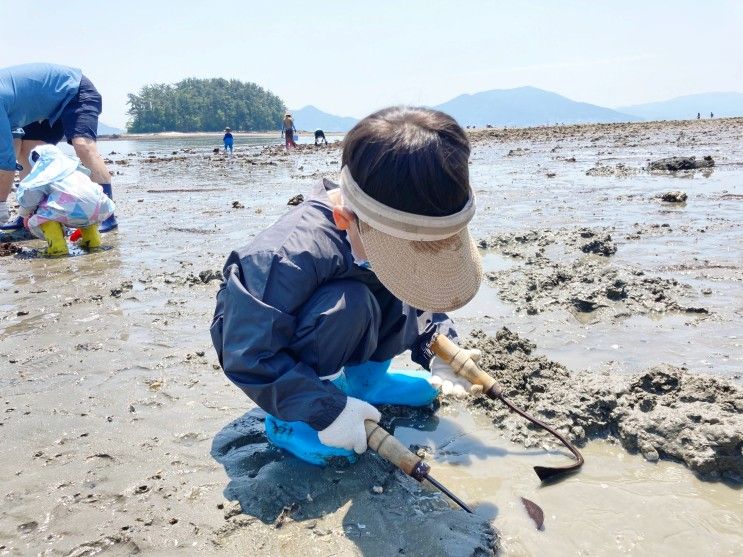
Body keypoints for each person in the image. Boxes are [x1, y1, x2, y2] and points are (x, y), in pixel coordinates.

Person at [211, 106, 483, 466]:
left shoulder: (382, 228)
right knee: (347, 302)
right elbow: (248, 354)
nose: (410, 268)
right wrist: (326, 410)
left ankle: (366, 381)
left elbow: (420, 294)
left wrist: (439, 346)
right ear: (344, 218)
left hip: (353, 334)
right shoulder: (284, 258)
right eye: (399, 256)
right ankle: (294, 417)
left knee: (392, 289)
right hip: (274, 348)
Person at [0, 63, 118, 232]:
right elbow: (14, 145)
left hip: (73, 91)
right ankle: (28, 217)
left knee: (83, 146)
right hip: (40, 109)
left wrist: (1, 203)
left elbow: (5, 160)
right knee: (28, 154)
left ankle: (108, 216)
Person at [15, 144, 115, 255]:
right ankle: (92, 242)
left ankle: (57, 247)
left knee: (43, 212)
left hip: (71, 210)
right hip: (100, 208)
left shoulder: (44, 177)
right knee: (85, 203)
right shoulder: (76, 172)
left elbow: (31, 198)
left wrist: (25, 214)